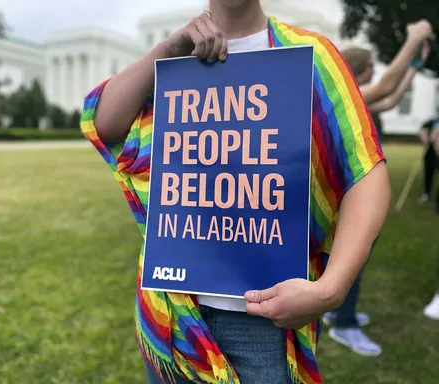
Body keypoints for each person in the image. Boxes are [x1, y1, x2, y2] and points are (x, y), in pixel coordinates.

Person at [80, 1, 400, 382]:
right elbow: (103, 125)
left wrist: (332, 289)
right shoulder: (175, 61)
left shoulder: (311, 56)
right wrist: (166, 51)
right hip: (170, 312)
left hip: (262, 320)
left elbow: (366, 170)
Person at [322, 31, 432, 357]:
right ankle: (344, 325)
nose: (374, 70)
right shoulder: (344, 94)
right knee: (353, 256)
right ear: (357, 68)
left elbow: (391, 98)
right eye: (370, 65)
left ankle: (338, 312)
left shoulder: (356, 96)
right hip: (347, 195)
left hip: (351, 193)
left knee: (349, 257)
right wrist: (416, 37)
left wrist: (413, 66)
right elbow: (385, 88)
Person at [417, 117, 439, 205]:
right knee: (428, 173)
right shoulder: (432, 121)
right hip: (430, 152)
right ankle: (426, 194)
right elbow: (422, 129)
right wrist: (424, 137)